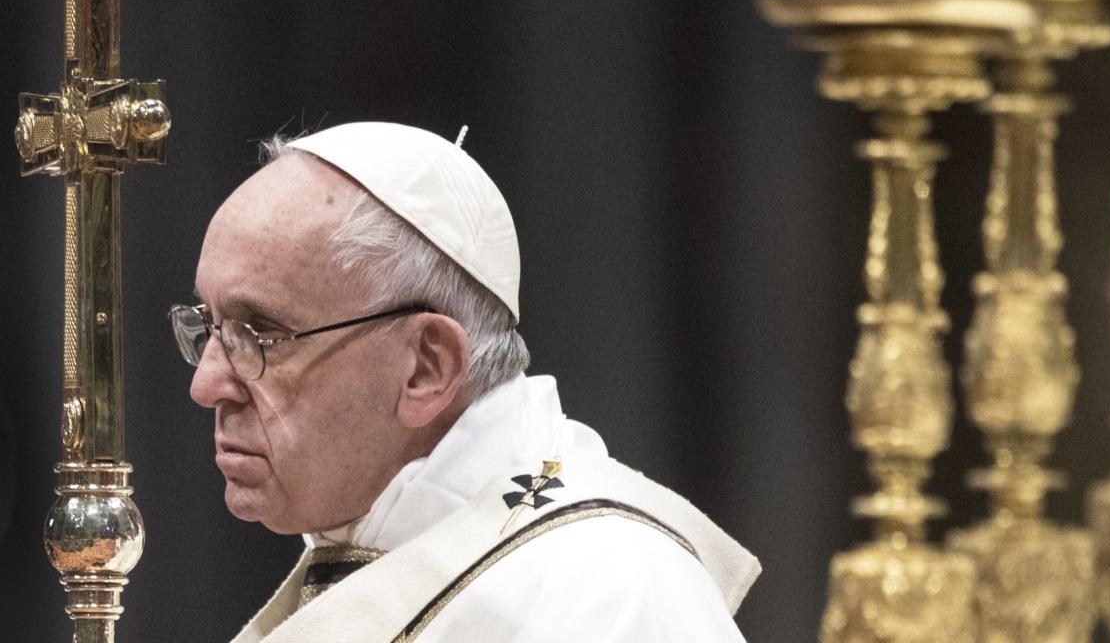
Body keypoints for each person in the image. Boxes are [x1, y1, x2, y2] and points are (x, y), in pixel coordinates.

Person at [172, 121, 760, 642]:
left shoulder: (605, 597)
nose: (208, 384)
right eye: (210, 327)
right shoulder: (376, 545)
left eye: (261, 334)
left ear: (427, 369)